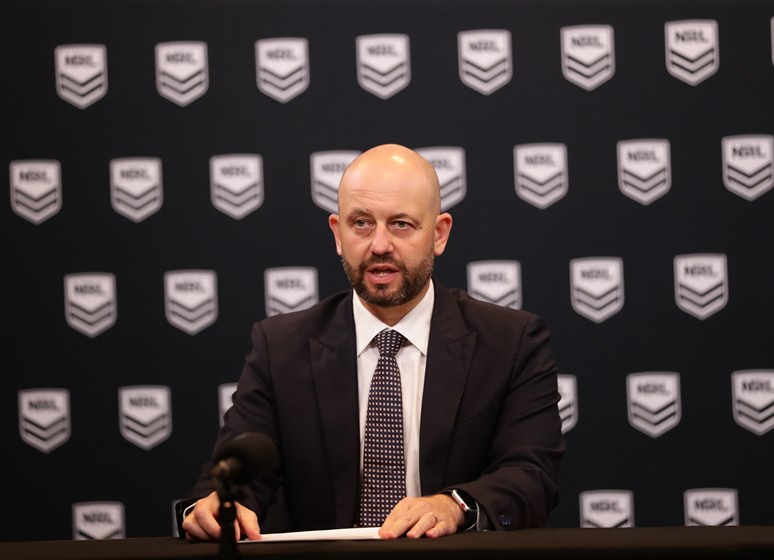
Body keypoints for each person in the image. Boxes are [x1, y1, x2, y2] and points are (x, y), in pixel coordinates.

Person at [179, 143, 565, 541]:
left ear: (439, 234)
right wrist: (216, 507)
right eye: (361, 223)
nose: (379, 244)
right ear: (338, 233)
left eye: (401, 224)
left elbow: (531, 475)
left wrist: (454, 506)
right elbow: (237, 478)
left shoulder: (511, 343)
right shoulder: (280, 348)